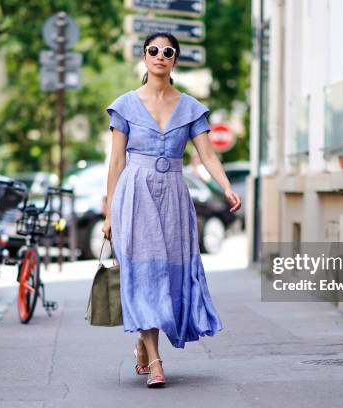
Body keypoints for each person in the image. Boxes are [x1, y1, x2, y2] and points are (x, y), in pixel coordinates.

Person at [101, 31, 242, 388]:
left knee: (171, 274)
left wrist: (226, 187)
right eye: (153, 50)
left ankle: (143, 340)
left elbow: (207, 154)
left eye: (167, 51)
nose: (160, 56)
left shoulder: (191, 108)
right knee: (146, 273)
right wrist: (108, 213)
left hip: (175, 197)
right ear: (144, 57)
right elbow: (116, 161)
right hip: (135, 194)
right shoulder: (125, 105)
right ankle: (157, 360)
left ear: (175, 59)